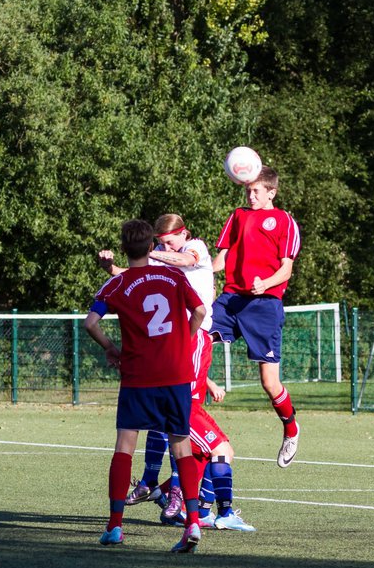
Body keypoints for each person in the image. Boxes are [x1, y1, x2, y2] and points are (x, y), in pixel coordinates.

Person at [98, 215, 256, 531]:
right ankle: (176, 498)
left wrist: (147, 251)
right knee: (183, 426)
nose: (165, 247)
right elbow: (134, 279)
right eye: (159, 242)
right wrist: (118, 267)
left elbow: (185, 259)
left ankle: (164, 494)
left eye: (169, 241)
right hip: (177, 345)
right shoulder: (163, 269)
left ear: (183, 234)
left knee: (175, 427)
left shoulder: (194, 247)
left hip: (190, 339)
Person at [86, 219, 209, 553]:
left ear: (126, 248)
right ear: (151, 247)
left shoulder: (118, 284)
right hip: (175, 374)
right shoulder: (173, 277)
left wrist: (111, 349)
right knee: (181, 447)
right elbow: (199, 310)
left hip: (139, 376)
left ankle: (114, 527)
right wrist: (185, 337)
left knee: (125, 446)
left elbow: (90, 323)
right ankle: (194, 522)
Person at [211, 164, 302, 467]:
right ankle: (194, 414)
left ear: (272, 192)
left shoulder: (284, 221)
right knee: (190, 340)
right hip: (231, 299)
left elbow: (286, 268)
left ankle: (290, 429)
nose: (250, 195)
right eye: (248, 190)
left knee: (269, 382)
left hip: (264, 304)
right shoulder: (238, 216)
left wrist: (266, 282)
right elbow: (221, 258)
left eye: (256, 191)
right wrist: (197, 270)